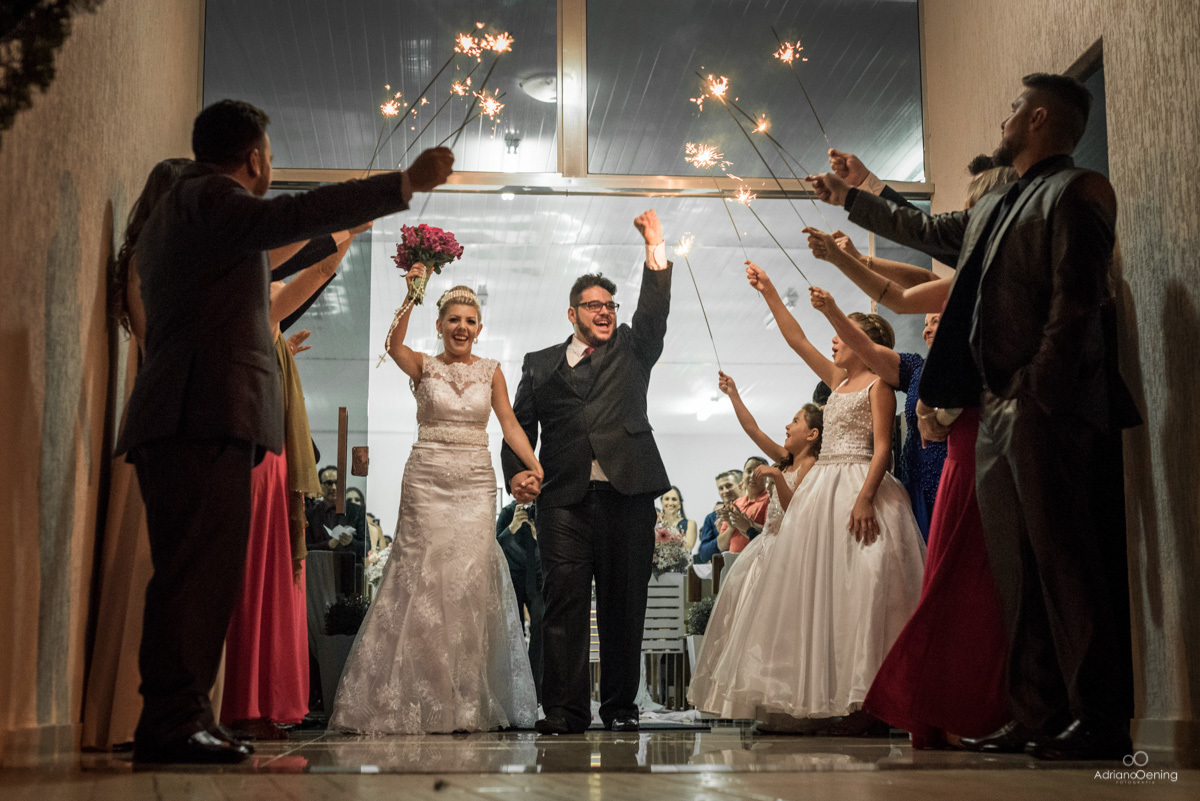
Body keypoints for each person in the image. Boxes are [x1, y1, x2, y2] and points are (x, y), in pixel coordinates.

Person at [808, 73, 1140, 760]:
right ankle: (1036, 714)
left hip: (1046, 408)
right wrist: (853, 197)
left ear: (1041, 117)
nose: (1007, 115)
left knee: (1066, 565)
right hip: (993, 413)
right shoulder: (997, 207)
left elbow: (1075, 304)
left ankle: (1101, 720)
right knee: (1016, 573)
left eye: (1017, 106)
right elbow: (926, 227)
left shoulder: (1078, 190)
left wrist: (1033, 393)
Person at [113, 98, 454, 763]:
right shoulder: (211, 199)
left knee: (184, 575)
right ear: (255, 157)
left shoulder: (180, 219)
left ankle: (173, 717)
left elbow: (289, 241)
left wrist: (346, 225)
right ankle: (179, 721)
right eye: (268, 153)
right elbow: (289, 218)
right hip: (200, 414)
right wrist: (403, 184)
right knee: (200, 576)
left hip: (178, 414)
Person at [689, 262, 925, 732]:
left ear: (867, 343)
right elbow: (796, 339)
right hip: (821, 494)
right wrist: (769, 290)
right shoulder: (836, 382)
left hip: (858, 484)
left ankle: (864, 702)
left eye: (844, 333)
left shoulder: (880, 384)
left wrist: (864, 499)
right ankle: (821, 698)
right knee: (819, 591)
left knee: (863, 588)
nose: (835, 340)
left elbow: (882, 449)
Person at [330, 281, 541, 734]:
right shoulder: (423, 366)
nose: (461, 327)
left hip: (475, 482)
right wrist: (412, 292)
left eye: (469, 321)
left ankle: (464, 700)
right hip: (426, 479)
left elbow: (509, 423)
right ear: (441, 325)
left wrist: (535, 465)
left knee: (467, 581)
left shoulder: (491, 371)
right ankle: (411, 697)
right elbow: (393, 344)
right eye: (453, 320)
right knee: (421, 578)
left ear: (479, 328)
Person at [501, 210, 674, 734]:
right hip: (564, 501)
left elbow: (653, 312)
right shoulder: (538, 363)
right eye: (594, 306)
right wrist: (518, 474)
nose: (604, 312)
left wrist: (656, 247)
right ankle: (564, 710)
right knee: (564, 606)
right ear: (571, 313)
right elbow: (517, 429)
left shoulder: (632, 347)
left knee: (625, 605)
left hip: (629, 494)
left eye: (609, 305)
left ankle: (620, 709)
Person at [221, 226, 363, 740]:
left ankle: (248, 696)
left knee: (258, 575)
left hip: (265, 453)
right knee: (259, 574)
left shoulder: (253, 315)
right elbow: (322, 269)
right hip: (260, 456)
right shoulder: (258, 308)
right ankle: (247, 701)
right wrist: (353, 222)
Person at [689, 379, 823, 729]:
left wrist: (777, 478)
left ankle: (792, 704)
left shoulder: (812, 468)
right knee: (753, 629)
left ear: (812, 435)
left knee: (785, 628)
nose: (787, 426)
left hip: (792, 551)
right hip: (766, 548)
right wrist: (733, 394)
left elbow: (797, 511)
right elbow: (752, 428)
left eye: (795, 421)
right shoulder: (783, 458)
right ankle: (765, 704)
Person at [496, 501, 545, 701]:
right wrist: (512, 527)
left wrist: (538, 535)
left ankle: (537, 689)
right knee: (513, 631)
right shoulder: (509, 513)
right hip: (512, 577)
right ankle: (516, 688)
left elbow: (554, 549)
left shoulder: (543, 512)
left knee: (541, 626)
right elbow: (495, 548)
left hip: (537, 577)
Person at [306, 465, 367, 563]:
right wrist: (328, 545)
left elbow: (367, 547)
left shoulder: (356, 511)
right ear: (320, 485)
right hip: (320, 569)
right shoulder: (311, 514)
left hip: (350, 570)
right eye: (329, 483)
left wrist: (351, 542)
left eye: (337, 483)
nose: (334, 488)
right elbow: (305, 548)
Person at [718, 456, 768, 553]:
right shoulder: (736, 503)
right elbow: (721, 545)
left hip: (757, 561)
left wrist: (747, 524)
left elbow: (772, 535)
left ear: (767, 477)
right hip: (734, 561)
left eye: (758, 472)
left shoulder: (769, 500)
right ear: (743, 475)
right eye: (748, 471)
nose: (752, 475)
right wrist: (731, 527)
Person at [694, 470, 742, 565]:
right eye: (721, 488)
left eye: (729, 486)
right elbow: (704, 555)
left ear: (740, 485)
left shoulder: (751, 509)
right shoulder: (712, 518)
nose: (725, 491)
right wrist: (722, 535)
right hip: (723, 569)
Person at [656, 486, 697, 551]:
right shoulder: (656, 524)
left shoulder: (690, 524)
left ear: (679, 504)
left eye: (674, 499)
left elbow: (688, 548)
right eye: (667, 499)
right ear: (661, 502)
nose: (670, 503)